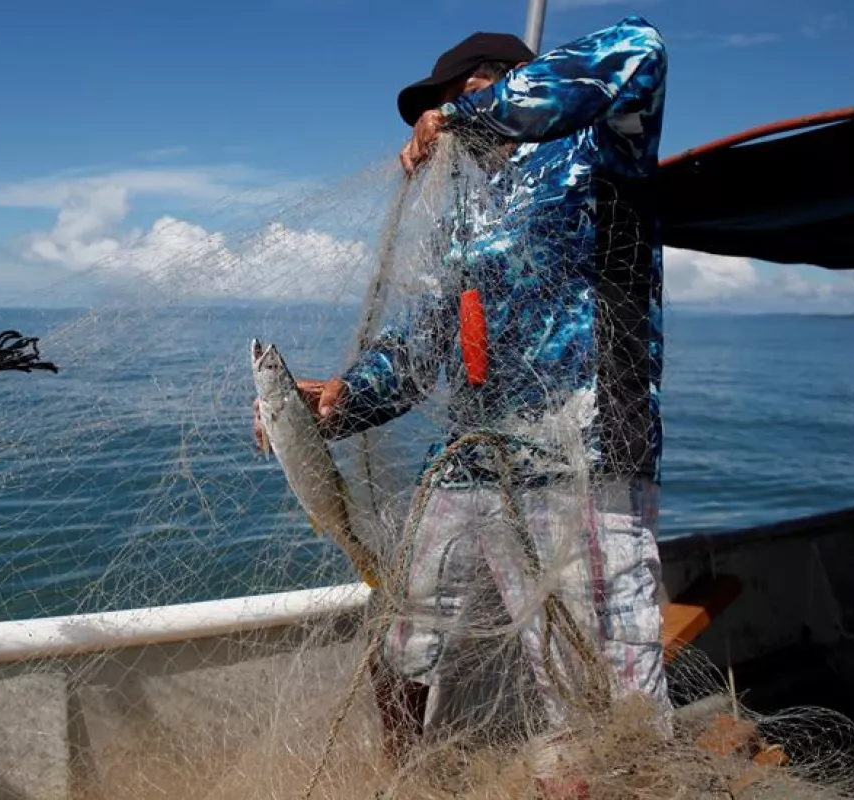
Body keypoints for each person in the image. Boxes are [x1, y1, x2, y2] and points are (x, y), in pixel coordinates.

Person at [252, 14, 672, 788]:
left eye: (447, 100)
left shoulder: (597, 148)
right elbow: (428, 344)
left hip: (582, 464)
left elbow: (638, 49)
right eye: (435, 107)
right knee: (402, 645)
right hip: (469, 468)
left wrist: (470, 112)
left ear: (494, 85)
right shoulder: (465, 213)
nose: (433, 124)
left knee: (604, 698)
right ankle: (407, 777)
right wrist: (341, 403)